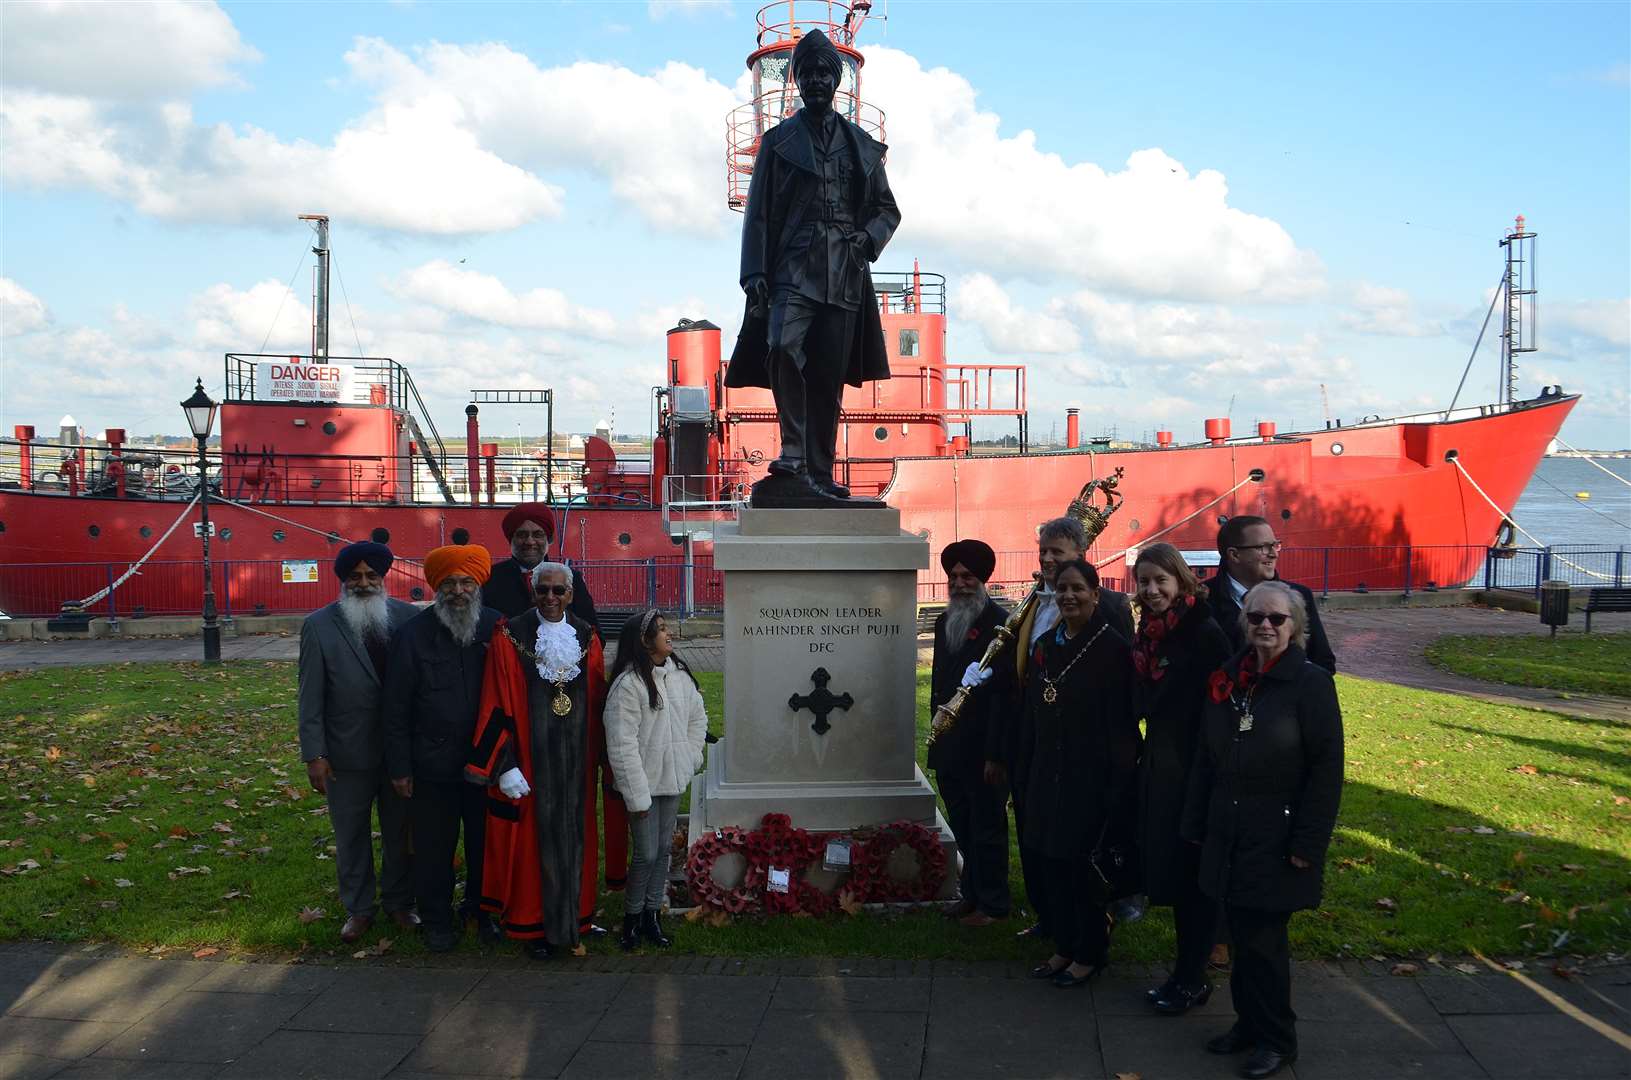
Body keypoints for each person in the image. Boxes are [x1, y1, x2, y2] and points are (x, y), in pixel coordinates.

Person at [726, 28, 900, 506]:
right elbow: (758, 213)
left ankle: (820, 473)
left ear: (838, 79)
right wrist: (754, 272)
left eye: (826, 71)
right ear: (798, 81)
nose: (818, 80)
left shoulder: (861, 145)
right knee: (781, 347)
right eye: (809, 73)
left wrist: (868, 239)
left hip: (844, 269)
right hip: (791, 266)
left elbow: (887, 209)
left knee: (827, 372)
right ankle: (793, 452)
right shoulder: (779, 142)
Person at [1182, 581, 1344, 1079]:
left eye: (1277, 619)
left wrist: (1308, 844)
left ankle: (1277, 1038)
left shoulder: (1311, 684)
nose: (1265, 627)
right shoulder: (1230, 678)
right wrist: (1195, 823)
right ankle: (1248, 1024)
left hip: (1277, 833)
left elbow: (1326, 770)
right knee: (1236, 933)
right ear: (1243, 623)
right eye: (1255, 618)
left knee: (1265, 943)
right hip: (1229, 829)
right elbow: (1206, 760)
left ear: (1295, 627)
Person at [973, 514, 1133, 942]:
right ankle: (1049, 915)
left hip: (1083, 749)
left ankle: (1092, 920)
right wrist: (999, 750)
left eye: (1056, 553)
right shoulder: (1031, 604)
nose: (1046, 559)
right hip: (1033, 743)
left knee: (1077, 840)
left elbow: (1119, 685)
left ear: (1080, 556)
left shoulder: (1112, 609)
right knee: (1032, 833)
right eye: (1043, 551)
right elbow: (1010, 685)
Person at [468, 561, 607, 959]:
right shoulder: (510, 635)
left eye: (558, 591)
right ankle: (532, 926)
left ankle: (577, 918)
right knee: (532, 847)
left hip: (578, 764)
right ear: (532, 592)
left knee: (578, 836)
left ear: (571, 594)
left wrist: (605, 754)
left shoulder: (586, 636)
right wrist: (504, 763)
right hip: (531, 763)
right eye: (542, 590)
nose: (550, 598)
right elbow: (494, 700)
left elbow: (597, 700)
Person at [1020, 559, 1139, 989]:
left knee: (1082, 870)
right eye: (1061, 589)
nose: (1068, 596)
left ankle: (1089, 953)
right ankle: (1064, 947)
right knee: (1051, 864)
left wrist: (1116, 786)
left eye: (1077, 589)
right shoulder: (1048, 644)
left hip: (1091, 777)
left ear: (1094, 594)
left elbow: (1124, 726)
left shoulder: (1113, 649)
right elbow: (1035, 708)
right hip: (1048, 772)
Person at [297, 540, 421, 943]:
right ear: (344, 581)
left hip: (399, 752)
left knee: (401, 831)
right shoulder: (319, 625)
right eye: (355, 577)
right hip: (345, 753)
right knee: (351, 834)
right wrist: (314, 754)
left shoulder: (407, 618)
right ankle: (359, 908)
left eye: (371, 576)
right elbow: (310, 695)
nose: (364, 583)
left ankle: (401, 902)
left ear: (383, 578)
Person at [1129, 543, 1232, 1014]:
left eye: (1160, 581)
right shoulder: (1152, 634)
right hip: (1164, 766)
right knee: (1175, 872)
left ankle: (1192, 977)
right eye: (1144, 582)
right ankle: (1184, 972)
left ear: (1181, 581)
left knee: (1193, 881)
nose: (1151, 591)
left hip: (1195, 769)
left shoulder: (1202, 633)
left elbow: (1219, 708)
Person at [383, 543, 501, 951]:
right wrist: (399, 767)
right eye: (449, 582)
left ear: (478, 584)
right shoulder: (412, 635)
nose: (458, 590)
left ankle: (481, 912)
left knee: (486, 844)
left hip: (487, 763)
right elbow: (395, 706)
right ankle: (437, 919)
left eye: (466, 581)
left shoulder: (497, 628)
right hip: (431, 765)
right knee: (434, 848)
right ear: (436, 586)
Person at [603, 610, 710, 950]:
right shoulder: (629, 684)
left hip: (672, 779)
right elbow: (621, 743)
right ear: (644, 640)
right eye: (660, 629)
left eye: (666, 628)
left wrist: (690, 757)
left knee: (664, 851)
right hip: (644, 784)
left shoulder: (678, 675)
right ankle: (632, 919)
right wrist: (637, 796)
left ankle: (652, 916)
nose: (669, 633)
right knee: (646, 853)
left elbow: (698, 719)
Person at [925, 539, 1011, 927]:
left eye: (967, 576)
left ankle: (993, 905)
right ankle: (971, 893)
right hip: (950, 746)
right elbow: (940, 686)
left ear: (983, 579)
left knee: (987, 827)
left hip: (981, 747)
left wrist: (996, 753)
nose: (958, 583)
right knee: (962, 823)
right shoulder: (945, 622)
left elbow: (1003, 697)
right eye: (953, 576)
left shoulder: (1001, 625)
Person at [1205, 516, 1335, 673]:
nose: (1274, 554)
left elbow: (1322, 662)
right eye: (1263, 547)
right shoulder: (1201, 601)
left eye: (1275, 545)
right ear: (1234, 555)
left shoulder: (1299, 596)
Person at [482, 503, 602, 633]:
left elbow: (594, 634)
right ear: (511, 540)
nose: (530, 542)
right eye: (522, 535)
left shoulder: (572, 578)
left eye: (537, 534)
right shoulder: (490, 578)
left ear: (549, 539)